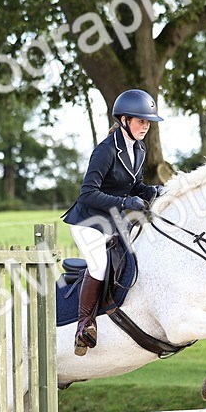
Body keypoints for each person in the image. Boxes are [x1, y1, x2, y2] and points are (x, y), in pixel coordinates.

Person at [61, 88, 165, 355]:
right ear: (123, 120)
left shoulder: (139, 149)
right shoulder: (106, 150)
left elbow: (134, 185)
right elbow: (88, 193)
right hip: (87, 222)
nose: (145, 126)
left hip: (112, 221)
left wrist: (151, 191)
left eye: (147, 122)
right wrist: (124, 203)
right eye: (140, 121)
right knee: (100, 265)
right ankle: (84, 326)